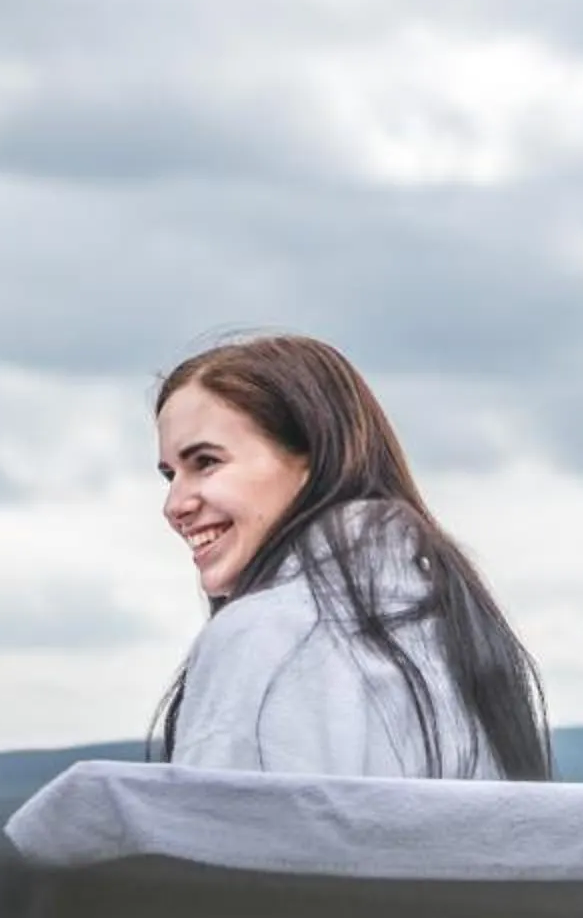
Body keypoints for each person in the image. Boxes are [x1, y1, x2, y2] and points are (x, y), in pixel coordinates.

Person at [152, 333, 550, 779]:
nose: (174, 505)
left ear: (312, 458)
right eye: (170, 474)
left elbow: (208, 834)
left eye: (206, 462)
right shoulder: (462, 627)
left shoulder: (262, 634)